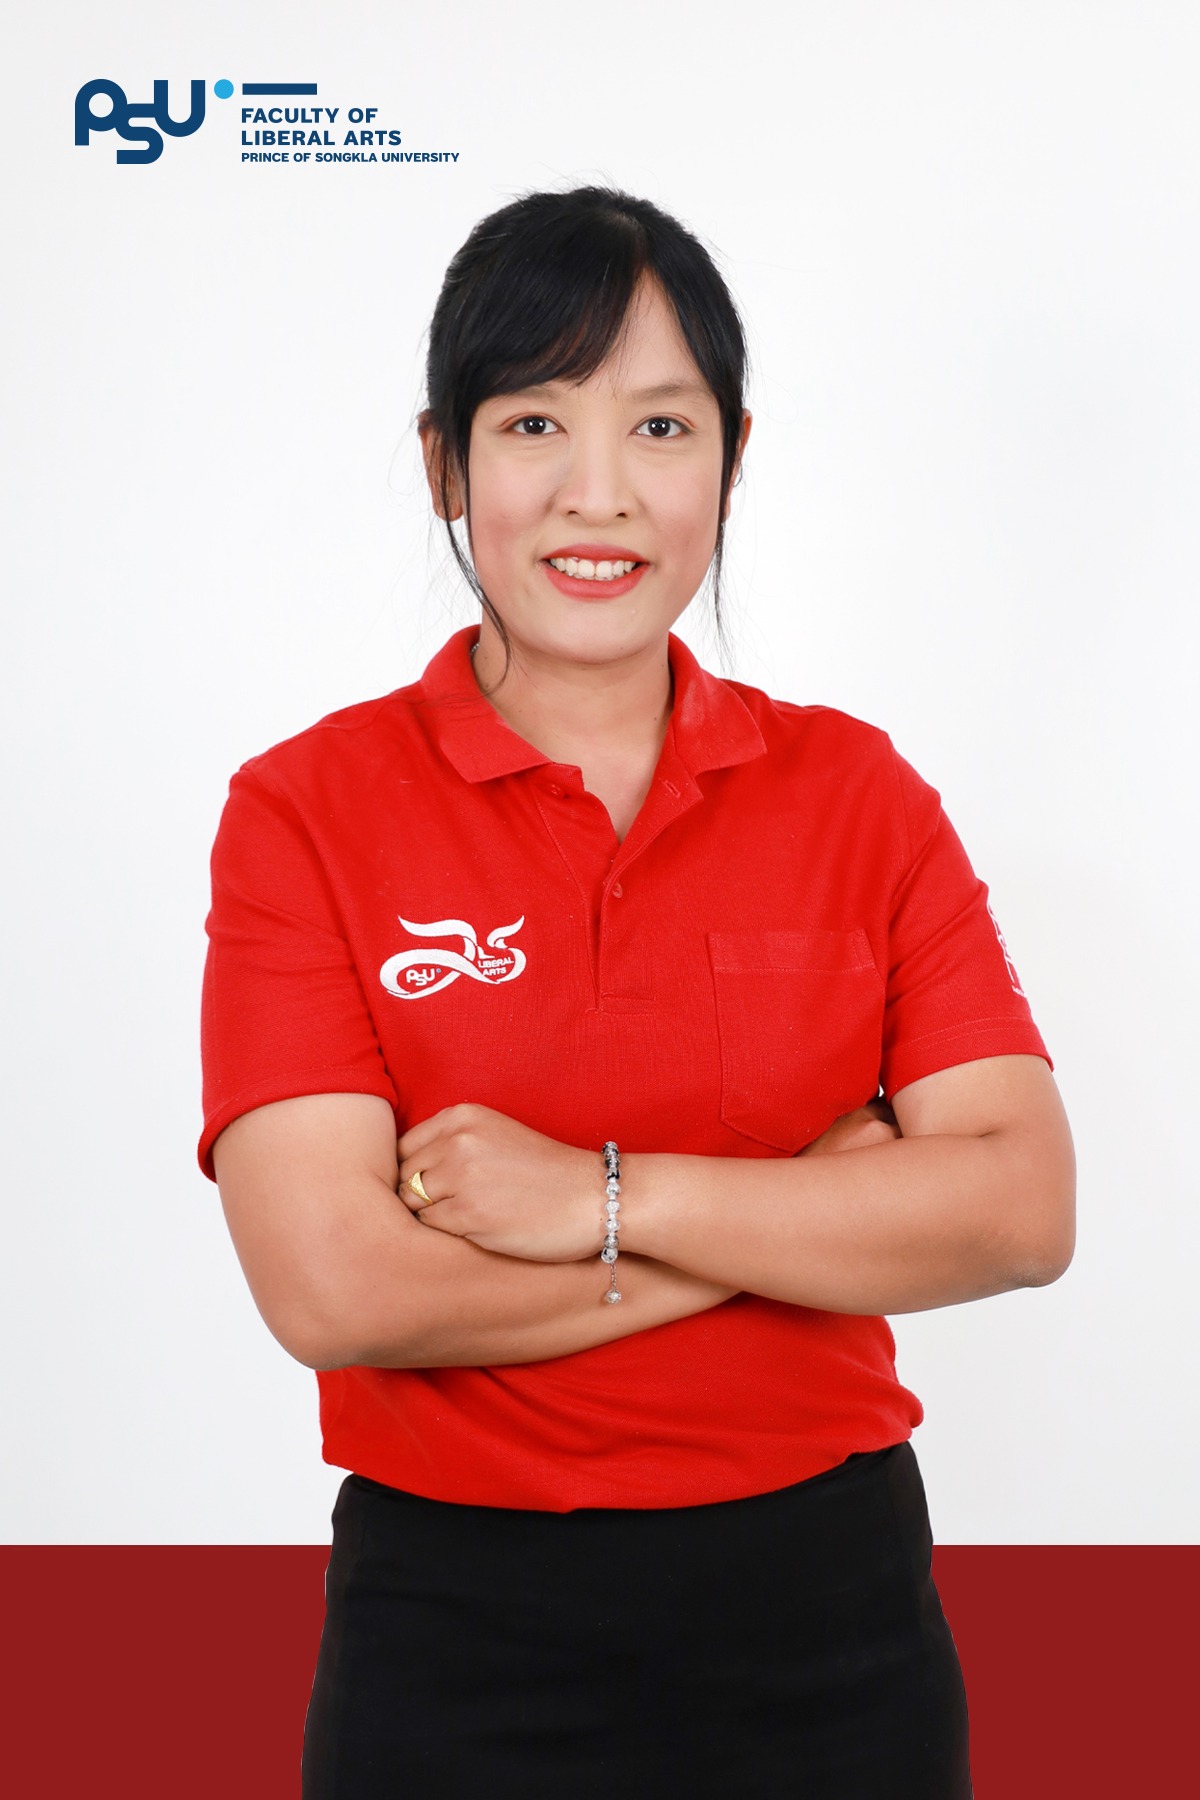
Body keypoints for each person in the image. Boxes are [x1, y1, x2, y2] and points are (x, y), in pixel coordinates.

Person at [199, 186, 1075, 1799]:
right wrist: (800, 1217)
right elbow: (332, 1290)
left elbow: (1020, 1211)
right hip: (452, 1638)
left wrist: (596, 1198)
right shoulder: (303, 811)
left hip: (836, 1634)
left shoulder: (861, 798)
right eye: (534, 421)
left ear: (732, 459)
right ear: (445, 465)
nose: (597, 492)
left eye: (661, 426)